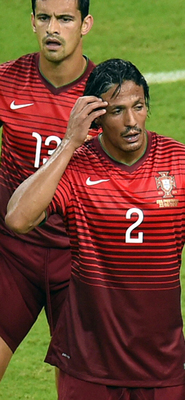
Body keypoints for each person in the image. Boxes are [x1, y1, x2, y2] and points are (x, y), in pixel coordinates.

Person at [5, 58, 185, 398]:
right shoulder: (76, 168)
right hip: (88, 365)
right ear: (97, 117)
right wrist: (68, 143)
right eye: (117, 111)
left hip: (162, 364)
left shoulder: (183, 164)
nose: (132, 121)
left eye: (138, 106)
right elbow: (17, 219)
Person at [0, 0, 95, 381]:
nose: (53, 28)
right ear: (33, 22)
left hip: (79, 261)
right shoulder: (7, 80)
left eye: (65, 19)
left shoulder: (104, 94)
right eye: (44, 18)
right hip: (12, 255)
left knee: (82, 385)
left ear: (85, 24)